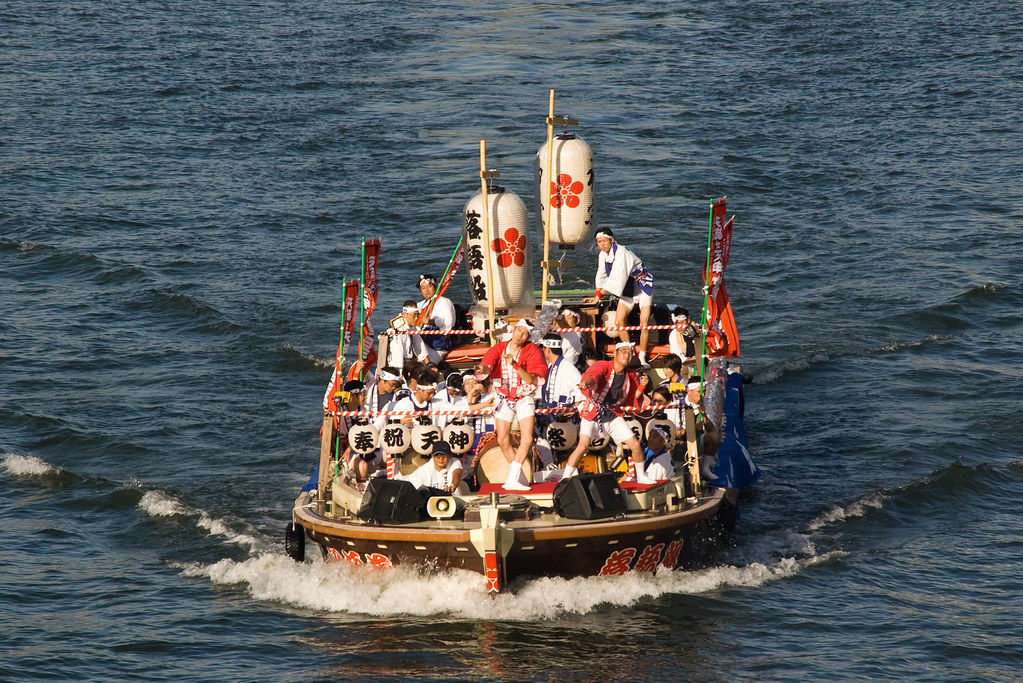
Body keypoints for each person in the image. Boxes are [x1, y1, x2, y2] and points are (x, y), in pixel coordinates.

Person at [560, 342, 654, 484]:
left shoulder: (630, 374)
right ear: (614, 353)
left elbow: (634, 397)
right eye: (624, 351)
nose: (627, 355)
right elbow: (593, 376)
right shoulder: (603, 365)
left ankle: (641, 476)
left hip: (613, 413)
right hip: (593, 411)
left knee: (635, 445)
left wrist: (642, 386)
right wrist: (586, 383)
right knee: (582, 446)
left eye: (630, 353)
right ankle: (565, 478)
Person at [474, 318, 548, 491]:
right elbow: (488, 363)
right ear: (513, 330)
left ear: (528, 336)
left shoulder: (532, 350)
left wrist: (514, 364)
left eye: (524, 334)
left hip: (524, 397)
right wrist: (483, 369)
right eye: (518, 331)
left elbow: (529, 379)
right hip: (504, 397)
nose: (520, 336)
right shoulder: (500, 348)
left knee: (527, 438)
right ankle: (519, 476)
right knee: (502, 438)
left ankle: (512, 477)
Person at [581, 228, 655, 367]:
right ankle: (630, 353)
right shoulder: (602, 255)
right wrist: (596, 295)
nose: (602, 244)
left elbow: (616, 277)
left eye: (604, 241)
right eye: (599, 242)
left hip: (642, 286)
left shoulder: (621, 252)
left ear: (612, 240)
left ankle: (643, 357)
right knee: (619, 321)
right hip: (627, 288)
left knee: (643, 323)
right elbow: (601, 275)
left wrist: (599, 296)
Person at [534, 332, 584, 468]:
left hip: (566, 419)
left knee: (567, 454)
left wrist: (575, 408)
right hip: (551, 417)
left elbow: (582, 390)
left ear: (548, 350)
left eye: (543, 348)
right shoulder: (551, 367)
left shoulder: (567, 366)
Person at [386, 300, 444, 368]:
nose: (416, 318)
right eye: (414, 315)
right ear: (405, 314)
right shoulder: (399, 330)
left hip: (409, 363)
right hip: (397, 366)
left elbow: (420, 345)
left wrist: (429, 365)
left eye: (417, 315)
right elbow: (398, 357)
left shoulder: (412, 327)